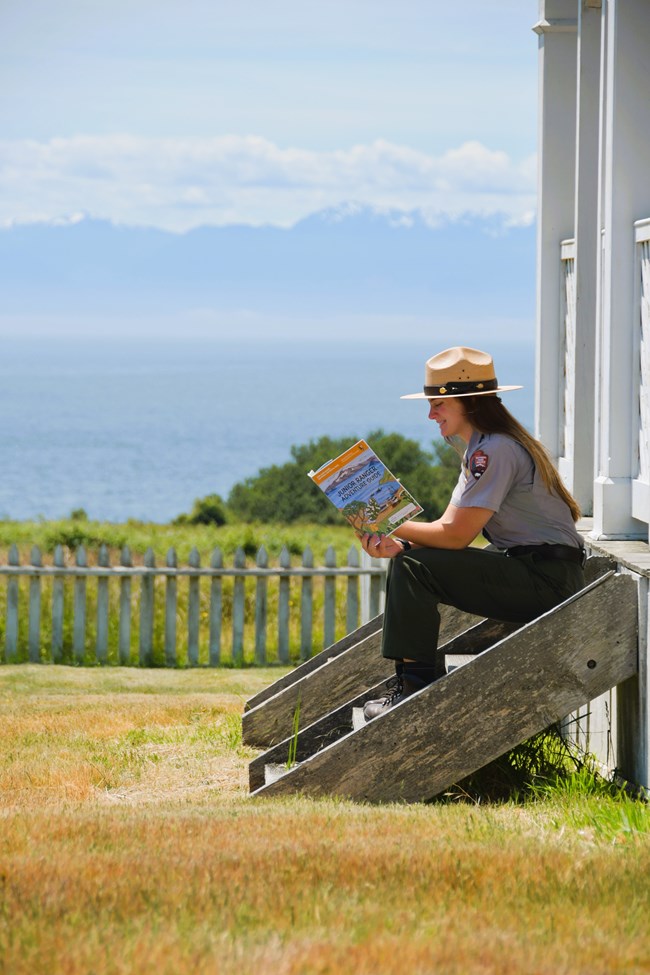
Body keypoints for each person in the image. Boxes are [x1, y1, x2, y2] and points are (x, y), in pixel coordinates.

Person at [360, 346, 585, 721]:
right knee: (409, 559)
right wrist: (396, 543)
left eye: (438, 405)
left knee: (415, 567)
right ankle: (411, 682)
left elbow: (455, 537)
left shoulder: (493, 451)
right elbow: (447, 529)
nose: (430, 415)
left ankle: (415, 687)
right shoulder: (484, 449)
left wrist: (382, 519)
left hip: (547, 581)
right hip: (539, 572)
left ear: (468, 403)